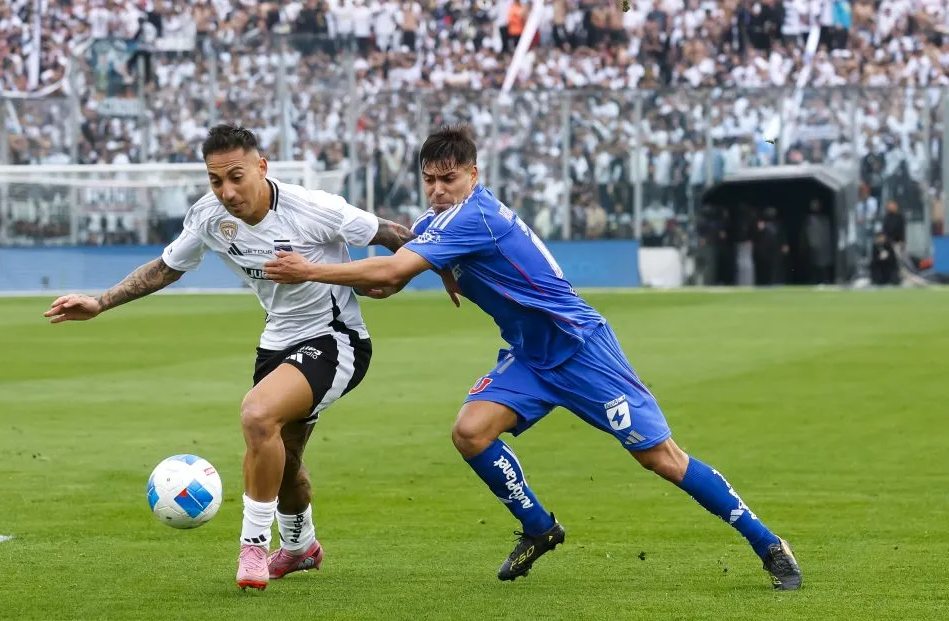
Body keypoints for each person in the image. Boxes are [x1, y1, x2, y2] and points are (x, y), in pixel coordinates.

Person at [264, 124, 802, 590]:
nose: (438, 190)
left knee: (661, 459)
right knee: (470, 432)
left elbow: (389, 273)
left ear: (474, 174)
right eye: (429, 179)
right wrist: (367, 268)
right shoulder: (441, 225)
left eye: (449, 179)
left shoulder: (477, 217)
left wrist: (309, 269)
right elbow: (391, 278)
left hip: (581, 350)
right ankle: (539, 527)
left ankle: (768, 543)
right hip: (530, 357)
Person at [44, 124, 417, 591]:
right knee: (282, 461)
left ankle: (253, 547)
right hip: (276, 343)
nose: (227, 191)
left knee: (257, 416)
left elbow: (398, 236)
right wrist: (100, 302)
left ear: (261, 167)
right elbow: (165, 268)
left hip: (336, 338)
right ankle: (301, 549)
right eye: (215, 180)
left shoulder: (314, 208)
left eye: (236, 176)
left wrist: (439, 274)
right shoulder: (208, 217)